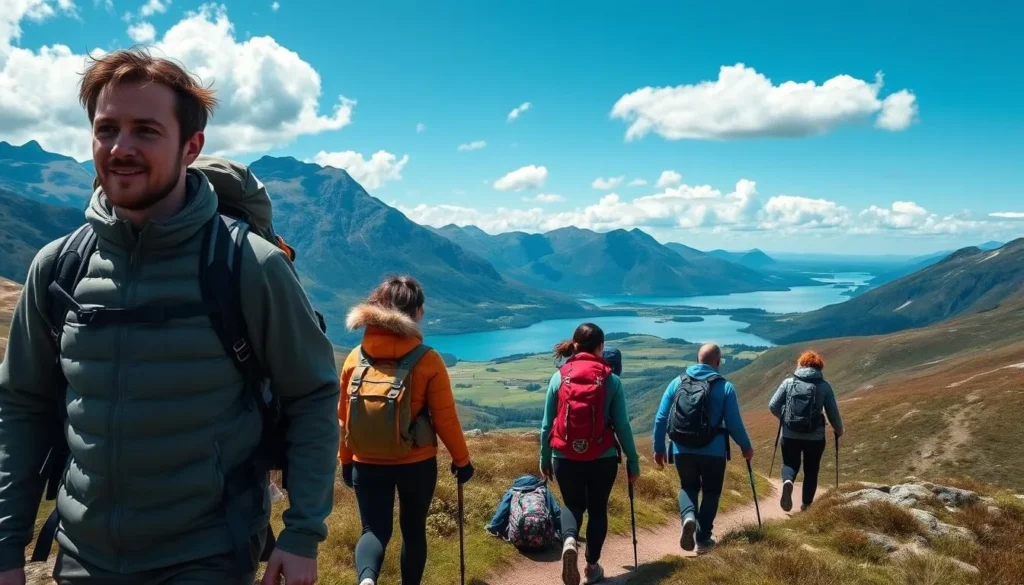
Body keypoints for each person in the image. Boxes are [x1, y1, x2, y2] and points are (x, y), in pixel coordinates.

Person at [0, 48, 341, 585]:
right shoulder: (59, 268)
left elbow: (313, 396)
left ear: (191, 146)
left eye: (146, 131)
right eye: (106, 128)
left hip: (206, 559)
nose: (121, 147)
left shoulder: (249, 266)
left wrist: (302, 535)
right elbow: (21, 407)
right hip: (81, 559)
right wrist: (5, 544)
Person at [337, 275, 475, 585]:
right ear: (416, 312)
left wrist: (346, 460)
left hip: (366, 461)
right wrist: (462, 461)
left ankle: (367, 580)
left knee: (373, 531)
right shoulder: (428, 360)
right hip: (416, 463)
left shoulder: (353, 359)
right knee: (413, 530)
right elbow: (445, 418)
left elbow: (344, 417)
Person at [539, 323, 640, 585]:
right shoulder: (611, 379)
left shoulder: (559, 376)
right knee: (597, 509)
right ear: (600, 348)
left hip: (564, 456)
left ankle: (570, 540)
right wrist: (633, 460)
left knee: (572, 504)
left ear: (574, 345)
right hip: (602, 457)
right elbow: (623, 425)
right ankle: (591, 567)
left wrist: (544, 458)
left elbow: (547, 424)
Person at [652, 343, 753, 555]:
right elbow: (734, 423)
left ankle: (688, 516)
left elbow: (661, 418)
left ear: (697, 360)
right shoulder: (725, 387)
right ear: (718, 362)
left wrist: (659, 448)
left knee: (687, 486)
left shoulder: (677, 382)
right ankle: (703, 538)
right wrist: (745, 447)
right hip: (713, 451)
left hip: (681, 448)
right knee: (711, 491)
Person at [768, 350, 844, 512]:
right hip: (815, 437)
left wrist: (786, 419)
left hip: (790, 434)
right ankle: (806, 505)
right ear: (819, 368)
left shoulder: (788, 383)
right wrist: (839, 430)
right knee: (811, 469)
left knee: (790, 463)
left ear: (800, 365)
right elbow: (833, 413)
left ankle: (788, 482)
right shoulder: (824, 386)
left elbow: (773, 405)